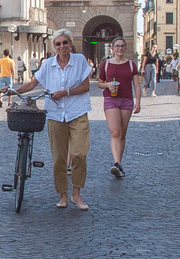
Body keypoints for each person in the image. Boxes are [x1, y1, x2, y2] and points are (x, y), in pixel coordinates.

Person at [15, 29, 92, 210]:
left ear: (70, 44)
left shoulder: (80, 60)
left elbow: (86, 86)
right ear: (54, 46)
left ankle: (77, 194)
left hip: (77, 112)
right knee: (59, 158)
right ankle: (63, 195)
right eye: (58, 44)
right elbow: (33, 84)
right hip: (56, 114)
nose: (62, 46)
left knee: (80, 153)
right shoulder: (48, 64)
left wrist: (66, 92)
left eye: (65, 42)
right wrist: (13, 91)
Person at [95, 36, 140, 177]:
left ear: (125, 48)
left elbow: (136, 85)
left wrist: (138, 101)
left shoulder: (131, 65)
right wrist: (108, 85)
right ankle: (115, 163)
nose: (120, 48)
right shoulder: (106, 64)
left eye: (122, 46)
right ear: (113, 48)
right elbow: (99, 83)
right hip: (111, 99)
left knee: (122, 132)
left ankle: (119, 163)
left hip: (127, 100)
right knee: (115, 132)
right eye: (117, 46)